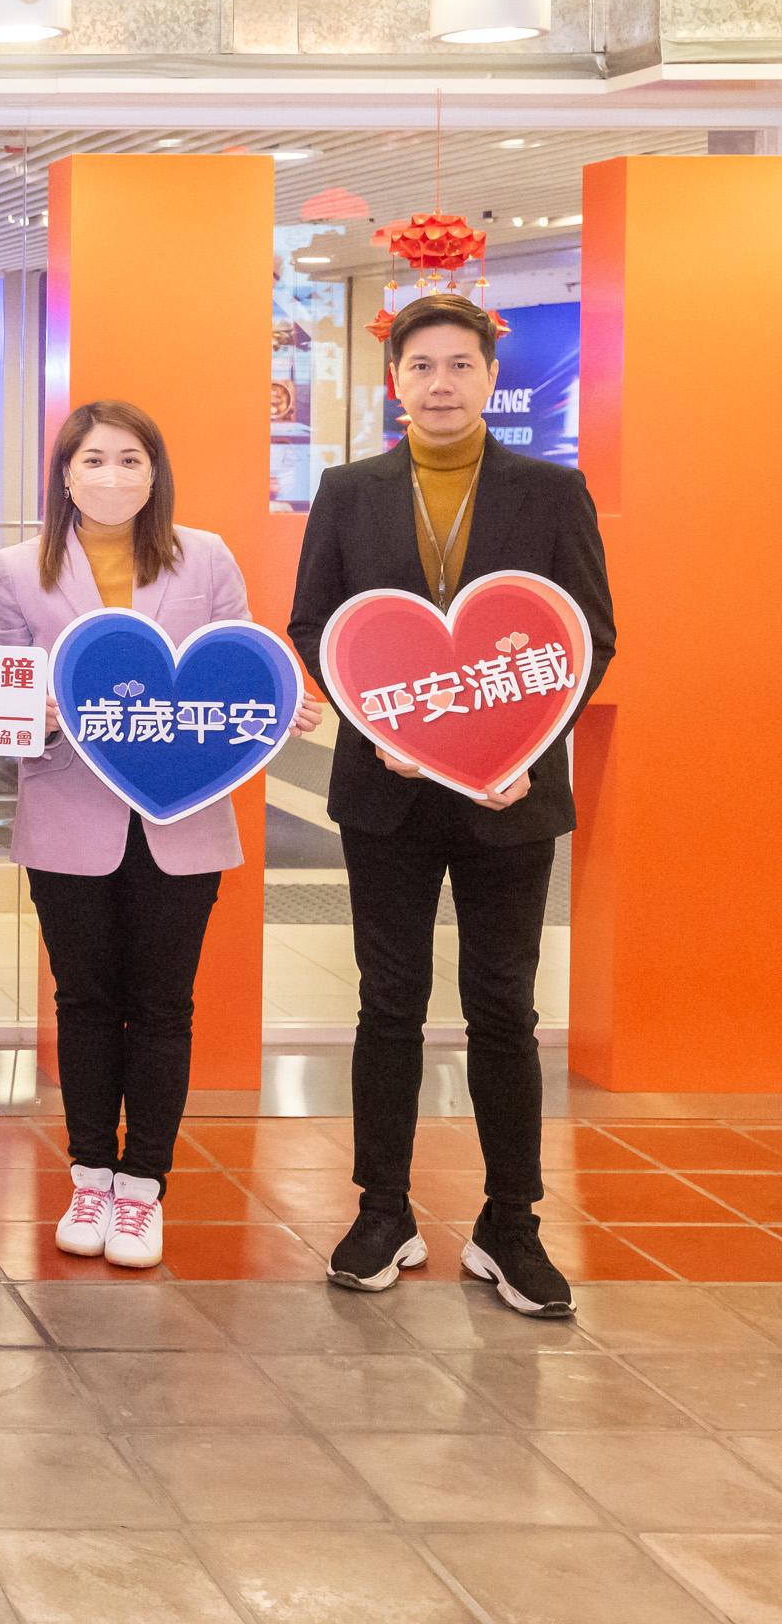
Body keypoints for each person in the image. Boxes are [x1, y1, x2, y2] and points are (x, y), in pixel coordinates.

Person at [289, 292, 615, 1319]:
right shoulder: (347, 491)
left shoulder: (552, 490)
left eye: (459, 365)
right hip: (384, 789)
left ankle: (508, 1222)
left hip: (509, 795)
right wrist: (377, 723)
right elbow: (315, 626)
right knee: (388, 1000)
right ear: (395, 379)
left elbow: (589, 636)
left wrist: (528, 744)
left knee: (503, 1007)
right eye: (421, 365)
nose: (440, 383)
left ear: (488, 377)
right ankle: (382, 1209)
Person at [0, 400, 326, 1270]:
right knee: (85, 1003)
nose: (111, 476)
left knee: (165, 1008)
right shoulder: (19, 568)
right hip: (68, 818)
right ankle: (90, 1171)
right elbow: (1, 697)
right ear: (64, 474)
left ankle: (144, 1187)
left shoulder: (204, 557)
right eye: (93, 459)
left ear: (154, 472)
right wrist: (47, 716)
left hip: (184, 823)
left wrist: (278, 710)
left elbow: (236, 668)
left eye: (130, 459)